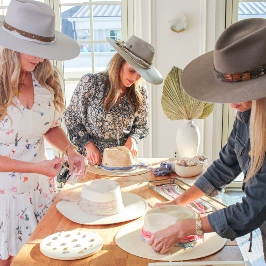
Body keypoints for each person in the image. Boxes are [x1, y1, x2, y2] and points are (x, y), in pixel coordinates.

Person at [148, 18, 266, 261]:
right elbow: (225, 164)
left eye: (241, 94)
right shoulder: (247, 114)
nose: (232, 104)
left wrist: (187, 226)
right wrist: (180, 201)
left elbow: (253, 209)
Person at [0, 0, 88, 265]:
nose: (39, 57)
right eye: (33, 50)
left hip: (40, 191)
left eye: (43, 50)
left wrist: (70, 150)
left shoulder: (44, 80)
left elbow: (49, 126)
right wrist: (37, 167)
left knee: (40, 258)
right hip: (5, 200)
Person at [64, 35, 163, 165]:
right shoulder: (91, 83)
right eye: (132, 70)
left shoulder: (140, 92)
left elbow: (141, 126)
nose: (135, 78)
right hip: (90, 161)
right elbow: (71, 118)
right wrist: (88, 145)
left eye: (140, 75)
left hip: (121, 162)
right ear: (119, 63)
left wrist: (133, 139)